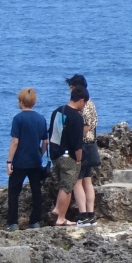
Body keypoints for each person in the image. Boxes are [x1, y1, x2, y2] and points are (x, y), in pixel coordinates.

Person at [5, 87, 48, 231]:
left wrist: (9, 161)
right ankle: (35, 221)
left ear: (22, 102)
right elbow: (45, 142)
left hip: (20, 161)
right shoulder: (41, 118)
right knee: (36, 191)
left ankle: (13, 223)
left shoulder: (18, 119)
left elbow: (15, 142)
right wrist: (40, 154)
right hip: (35, 161)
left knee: (13, 192)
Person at [47, 86, 87, 226]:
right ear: (81, 100)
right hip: (68, 156)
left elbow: (52, 133)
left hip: (55, 154)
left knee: (62, 185)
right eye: (84, 103)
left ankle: (57, 209)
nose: (84, 106)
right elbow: (77, 144)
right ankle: (61, 218)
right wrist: (79, 159)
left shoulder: (58, 111)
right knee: (67, 187)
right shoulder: (76, 118)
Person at [66, 75, 99, 225]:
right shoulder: (91, 104)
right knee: (87, 181)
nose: (70, 91)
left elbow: (84, 127)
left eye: (72, 88)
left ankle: (83, 214)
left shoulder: (83, 105)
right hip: (91, 144)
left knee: (77, 182)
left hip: (83, 146)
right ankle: (91, 214)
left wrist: (75, 143)